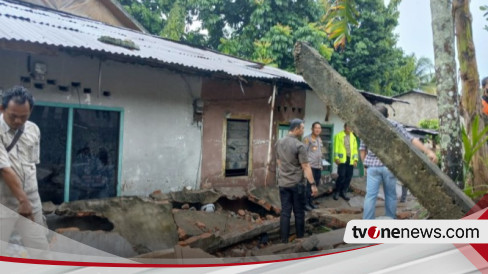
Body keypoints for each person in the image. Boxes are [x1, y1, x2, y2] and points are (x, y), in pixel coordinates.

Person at [360, 105, 438, 219]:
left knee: (370, 196)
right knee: (390, 195)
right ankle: (391, 220)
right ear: (387, 115)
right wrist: (428, 151)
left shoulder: (367, 127)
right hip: (389, 166)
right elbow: (411, 139)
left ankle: (367, 223)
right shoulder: (394, 125)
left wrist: (365, 165)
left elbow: (362, 149)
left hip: (372, 167)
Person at [0, 86, 49, 258]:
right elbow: (5, 169)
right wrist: (23, 200)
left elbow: (31, 166)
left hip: (31, 199)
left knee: (40, 249)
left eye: (24, 116)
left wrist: (31, 200)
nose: (19, 121)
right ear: (2, 109)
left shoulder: (34, 130)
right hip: (3, 202)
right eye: (13, 116)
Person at [276, 119, 318, 243]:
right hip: (297, 184)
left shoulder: (279, 142)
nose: (303, 130)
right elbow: (305, 166)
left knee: (285, 213)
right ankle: (300, 239)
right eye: (302, 128)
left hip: (283, 183)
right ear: (296, 129)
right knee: (299, 212)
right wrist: (313, 184)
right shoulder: (299, 145)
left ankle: (283, 240)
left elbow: (279, 162)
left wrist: (285, 172)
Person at [333, 123, 358, 201]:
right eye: (348, 126)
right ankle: (337, 191)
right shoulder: (338, 135)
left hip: (350, 159)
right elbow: (336, 147)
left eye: (351, 127)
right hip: (342, 159)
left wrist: (355, 160)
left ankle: (344, 192)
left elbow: (355, 150)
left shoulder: (353, 137)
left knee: (348, 176)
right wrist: (336, 158)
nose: (349, 128)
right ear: (344, 127)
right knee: (342, 175)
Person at [302, 122, 323, 210]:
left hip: (318, 166)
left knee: (315, 185)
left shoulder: (319, 139)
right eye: (316, 128)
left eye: (319, 128)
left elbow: (320, 153)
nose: (317, 129)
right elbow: (303, 153)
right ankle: (305, 204)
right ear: (312, 129)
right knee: (309, 186)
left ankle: (311, 202)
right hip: (310, 167)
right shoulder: (307, 139)